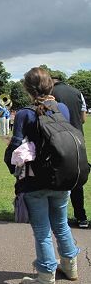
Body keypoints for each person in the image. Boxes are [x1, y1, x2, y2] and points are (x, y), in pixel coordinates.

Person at [4, 67, 79, 284]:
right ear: (50, 86)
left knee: (42, 231)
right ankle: (70, 265)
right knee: (61, 224)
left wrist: (9, 156)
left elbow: (16, 148)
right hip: (61, 176)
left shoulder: (25, 114)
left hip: (36, 180)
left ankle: (46, 279)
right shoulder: (62, 108)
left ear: (28, 89)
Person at [51, 74, 88, 229]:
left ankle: (58, 218)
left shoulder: (50, 93)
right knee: (76, 180)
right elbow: (83, 118)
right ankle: (82, 218)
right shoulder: (77, 92)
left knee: (56, 179)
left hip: (59, 139)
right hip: (78, 140)